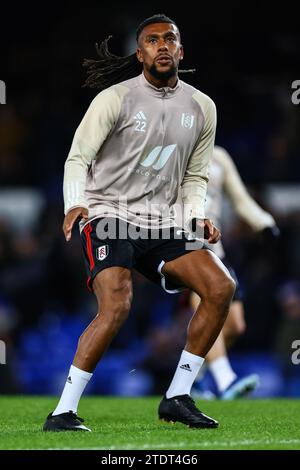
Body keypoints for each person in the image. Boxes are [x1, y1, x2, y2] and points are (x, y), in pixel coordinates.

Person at [43, 14, 236, 432]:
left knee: (221, 286)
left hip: (163, 221)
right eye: (152, 40)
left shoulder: (202, 107)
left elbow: (195, 176)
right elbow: (78, 158)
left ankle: (178, 396)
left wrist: (195, 217)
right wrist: (75, 204)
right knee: (117, 305)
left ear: (181, 51)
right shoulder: (115, 98)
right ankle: (63, 411)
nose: (162, 46)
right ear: (140, 52)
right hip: (109, 214)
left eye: (170, 39)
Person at [189, 145, 279, 399]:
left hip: (216, 248)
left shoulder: (219, 156)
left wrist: (263, 222)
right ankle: (225, 379)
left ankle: (192, 380)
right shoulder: (175, 149)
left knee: (235, 325)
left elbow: (239, 197)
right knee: (207, 308)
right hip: (186, 242)